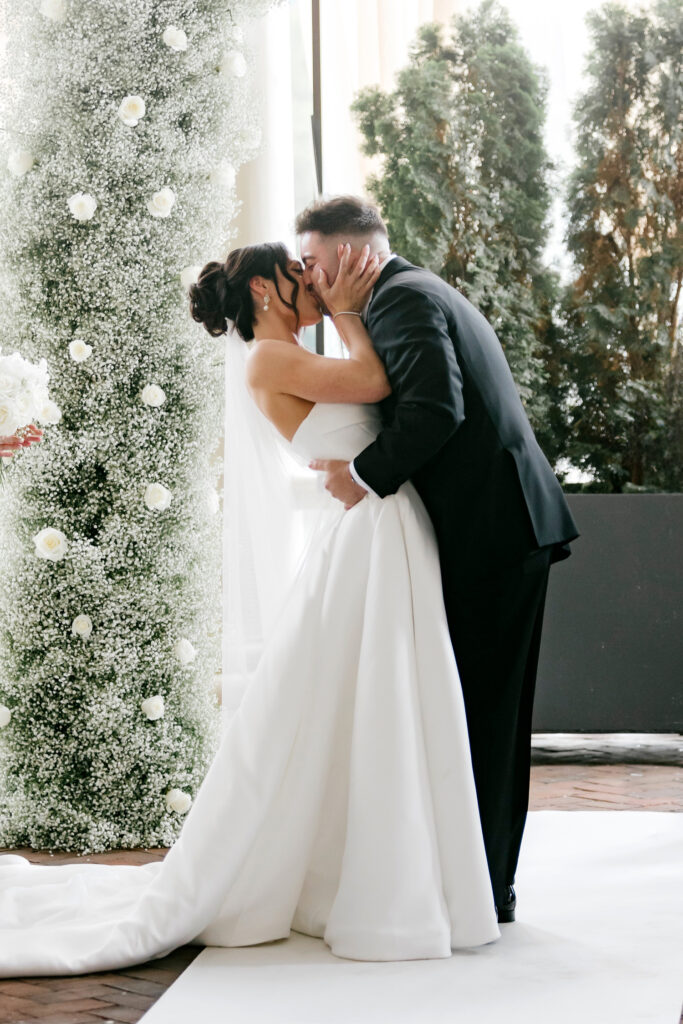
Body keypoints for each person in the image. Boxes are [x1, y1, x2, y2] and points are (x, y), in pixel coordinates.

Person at [0, 240, 500, 978]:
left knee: (379, 702)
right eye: (297, 277)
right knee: (378, 698)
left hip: (379, 528)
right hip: (370, 534)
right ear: (264, 291)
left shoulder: (282, 352)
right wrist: (353, 312)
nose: (312, 285)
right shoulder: (269, 359)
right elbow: (371, 379)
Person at [296, 195, 580, 922]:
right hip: (493, 527)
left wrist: (357, 478)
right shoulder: (404, 294)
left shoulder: (401, 301)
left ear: (352, 255)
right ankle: (475, 882)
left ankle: (484, 891)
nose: (312, 281)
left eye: (315, 264)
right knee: (475, 713)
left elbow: (434, 410)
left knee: (484, 716)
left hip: (493, 531)